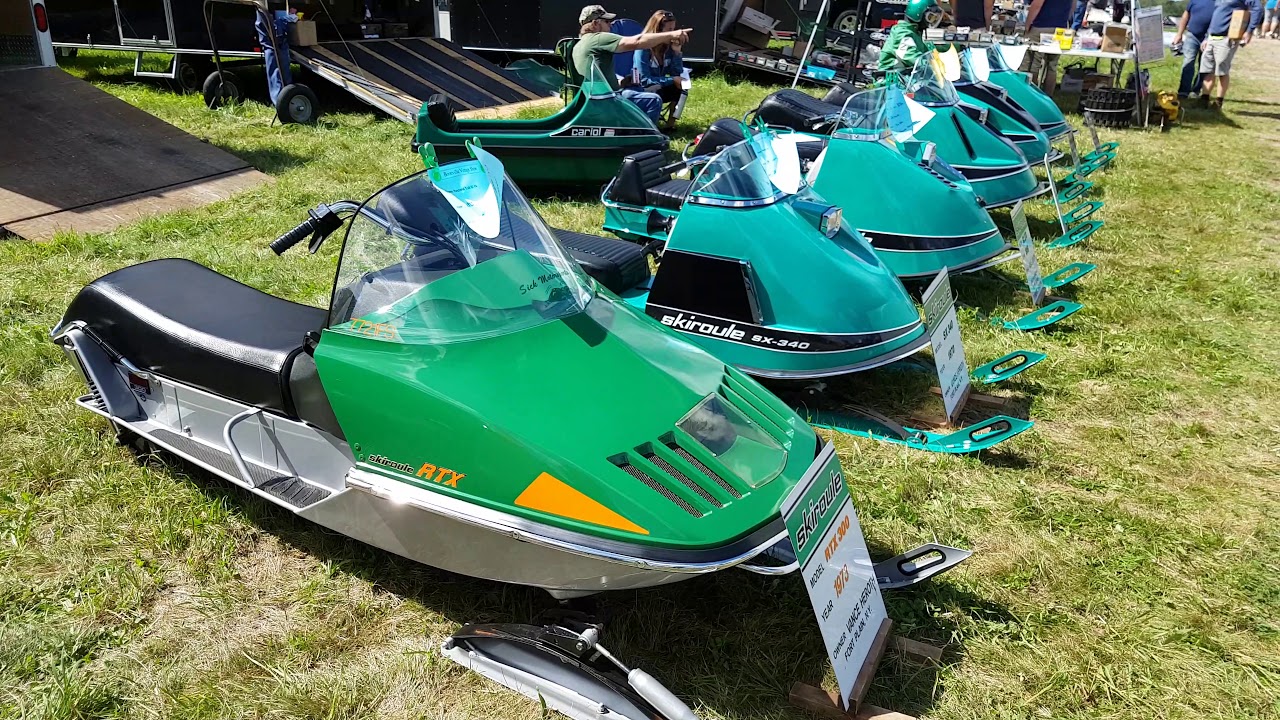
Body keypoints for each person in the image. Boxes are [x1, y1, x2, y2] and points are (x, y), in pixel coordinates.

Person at [571, 5, 690, 124]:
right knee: (653, 100)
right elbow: (636, 41)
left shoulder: (580, 44)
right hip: (606, 99)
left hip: (596, 97)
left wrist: (621, 82)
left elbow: (594, 76)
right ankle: (645, 137)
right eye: (607, 21)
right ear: (595, 23)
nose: (611, 25)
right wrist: (672, 34)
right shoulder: (598, 38)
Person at [1199, 0, 1263, 108]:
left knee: (1222, 71)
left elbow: (1258, 8)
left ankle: (1219, 101)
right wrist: (1206, 37)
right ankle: (1204, 99)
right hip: (1212, 37)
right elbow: (1216, 16)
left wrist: (1249, 30)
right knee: (1208, 70)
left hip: (1227, 39)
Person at [632, 10, 687, 130]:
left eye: (674, 29)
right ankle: (650, 127)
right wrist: (672, 79)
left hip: (658, 84)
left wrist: (677, 52)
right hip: (642, 88)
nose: (673, 34)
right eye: (669, 30)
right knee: (661, 89)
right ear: (657, 31)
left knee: (681, 87)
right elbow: (644, 80)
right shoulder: (643, 49)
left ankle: (670, 126)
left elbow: (676, 72)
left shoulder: (668, 48)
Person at [1019, 0, 1077, 95]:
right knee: (1052, 65)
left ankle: (1030, 94)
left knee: (1033, 62)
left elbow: (1037, 4)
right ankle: (1048, 95)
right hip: (1060, 27)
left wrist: (1027, 24)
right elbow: (1073, 6)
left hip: (1041, 25)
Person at [878, 0, 945, 72]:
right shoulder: (902, 33)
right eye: (930, 18)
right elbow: (912, 57)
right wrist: (932, 66)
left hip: (909, 79)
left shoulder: (917, 33)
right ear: (918, 14)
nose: (932, 22)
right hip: (889, 80)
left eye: (935, 18)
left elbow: (931, 51)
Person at [1172, 0, 1215, 98]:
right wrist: (1179, 34)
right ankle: (1183, 91)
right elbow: (1185, 17)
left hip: (1208, 39)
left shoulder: (1219, 3)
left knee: (1204, 66)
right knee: (1188, 62)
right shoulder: (1194, 1)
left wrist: (1209, 38)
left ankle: (1196, 90)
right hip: (1192, 36)